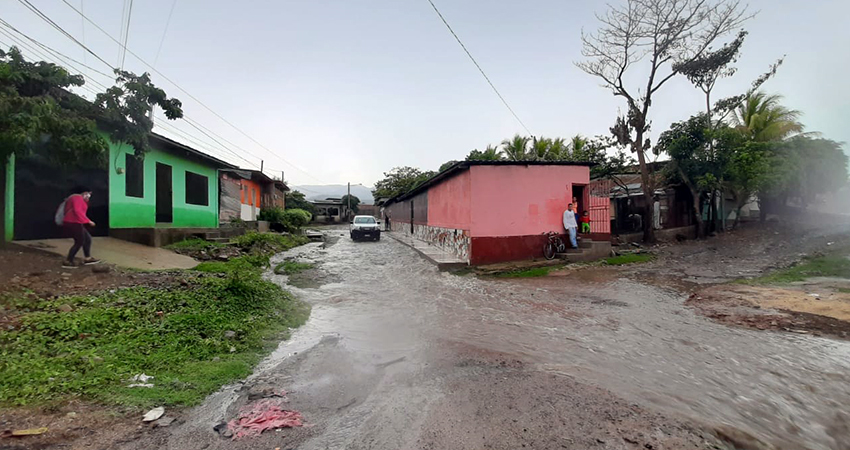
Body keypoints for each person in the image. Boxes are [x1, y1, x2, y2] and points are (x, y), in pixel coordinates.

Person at [62, 186, 100, 268]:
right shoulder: (77, 197)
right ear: (84, 192)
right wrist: (88, 221)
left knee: (88, 238)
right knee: (79, 241)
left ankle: (88, 258)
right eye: (89, 194)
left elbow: (80, 211)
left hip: (76, 222)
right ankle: (68, 261)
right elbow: (77, 211)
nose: (89, 196)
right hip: (72, 222)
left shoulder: (78, 199)